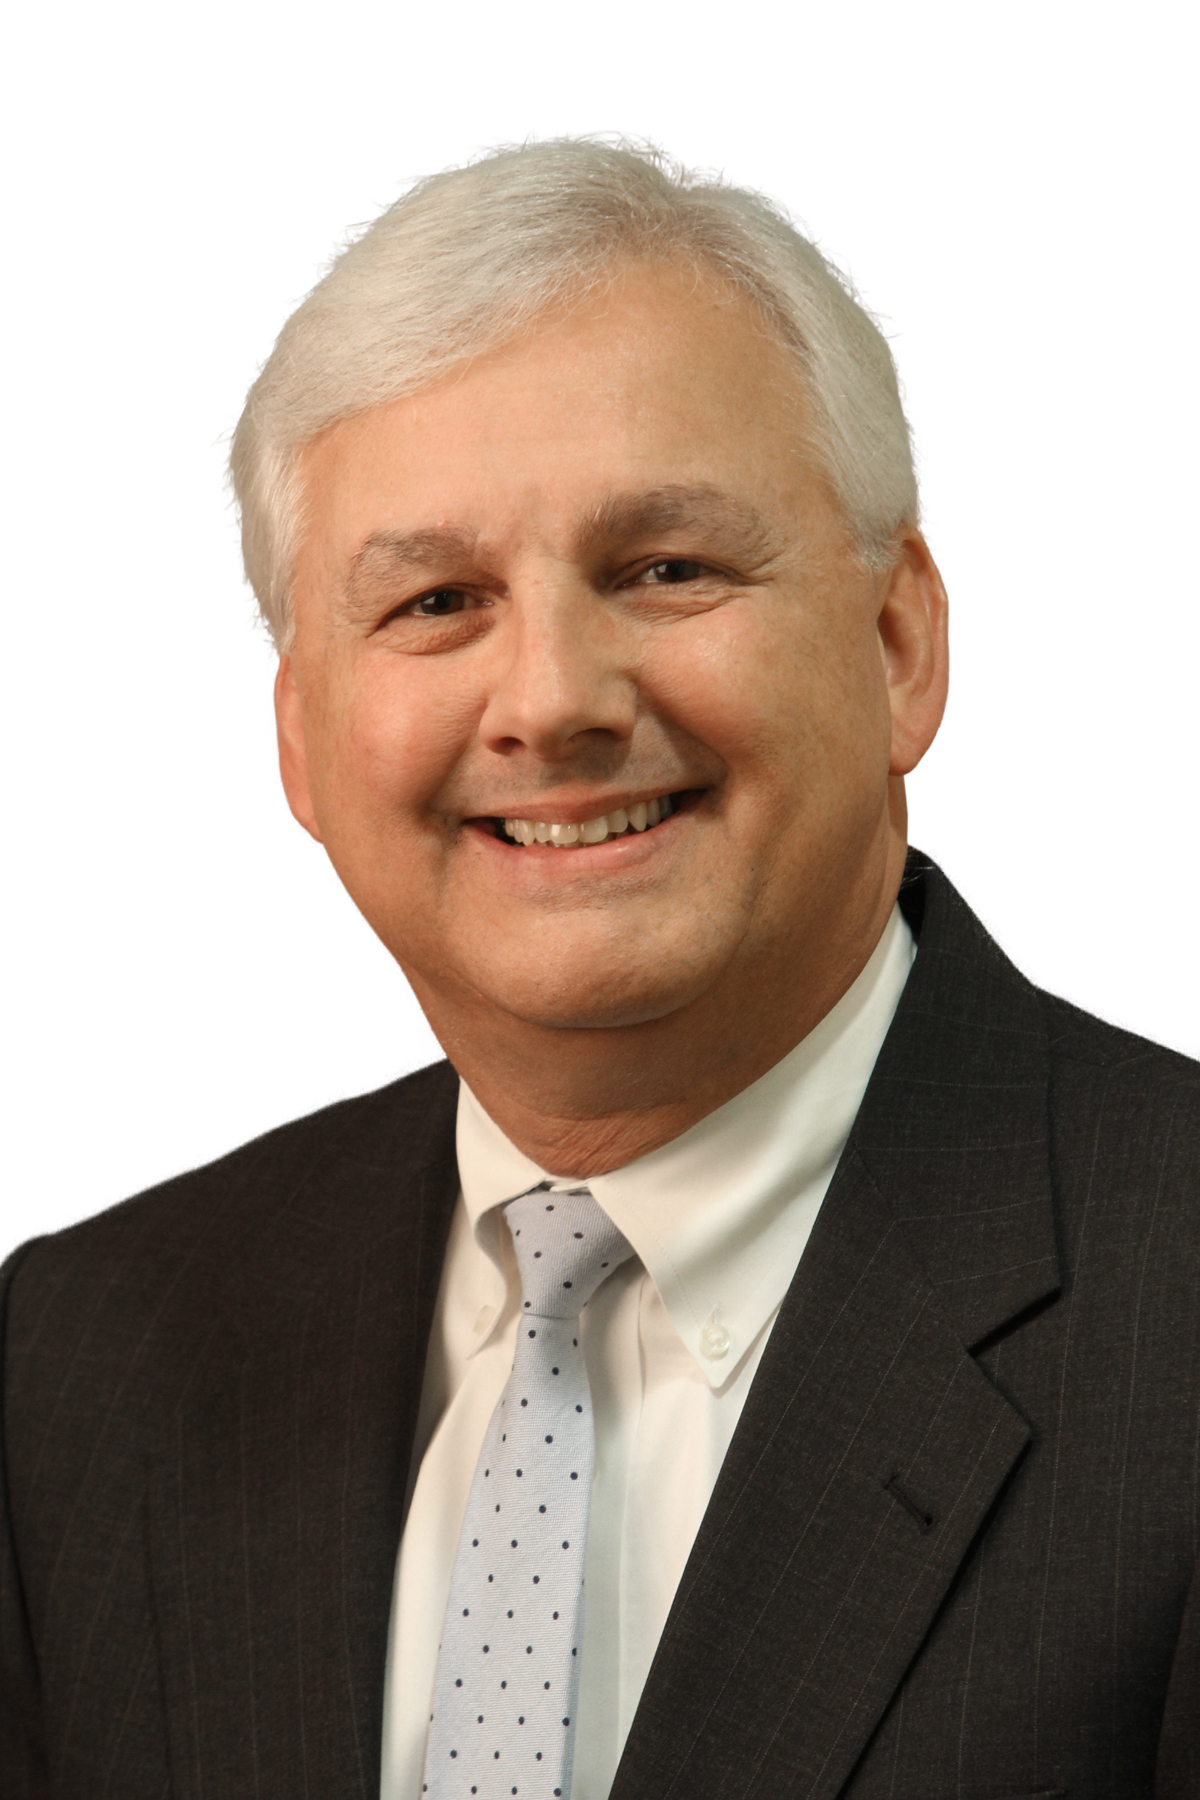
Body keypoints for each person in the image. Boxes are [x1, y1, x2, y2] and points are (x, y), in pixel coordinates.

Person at [1, 139, 1197, 1800]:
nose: (552, 699)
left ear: (898, 645)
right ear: (301, 740)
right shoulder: (79, 1359)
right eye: (437, 601)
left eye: (666, 568)